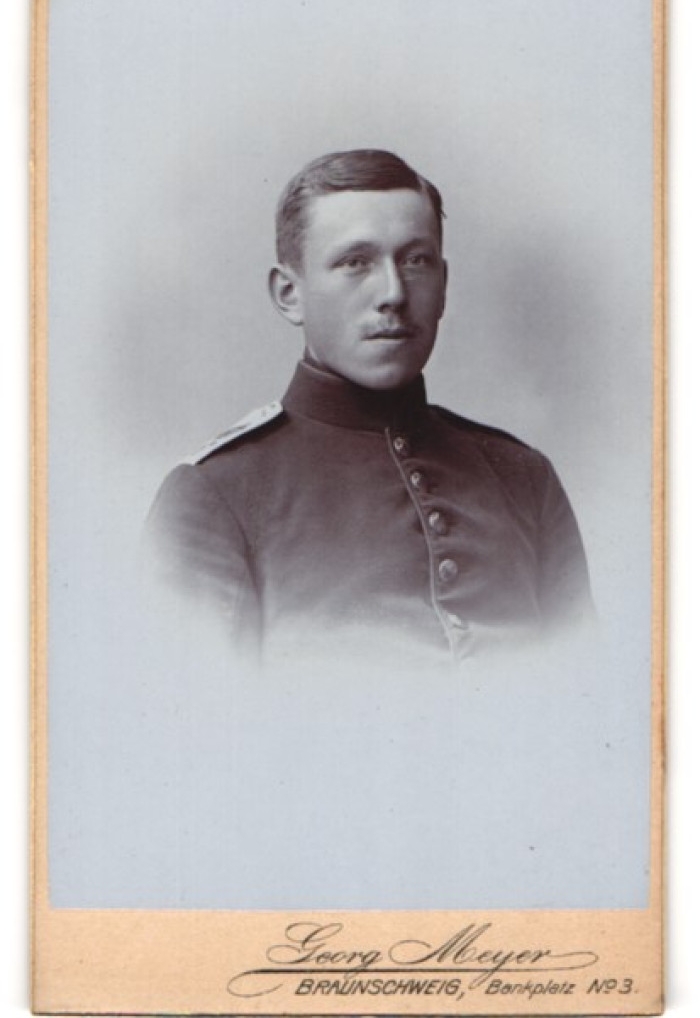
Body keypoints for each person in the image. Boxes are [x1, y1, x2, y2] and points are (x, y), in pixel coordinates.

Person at [145, 149, 592, 668]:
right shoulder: (214, 495)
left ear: (443, 286)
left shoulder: (523, 478)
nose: (393, 293)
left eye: (416, 260)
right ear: (290, 294)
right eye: (355, 262)